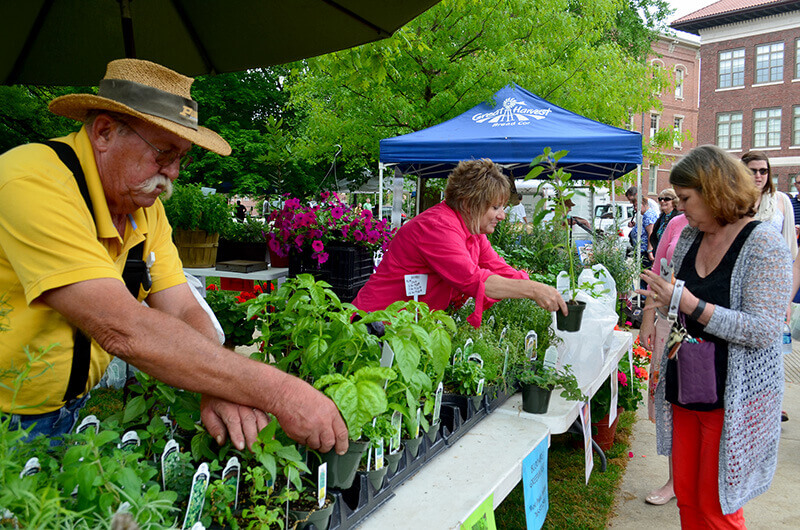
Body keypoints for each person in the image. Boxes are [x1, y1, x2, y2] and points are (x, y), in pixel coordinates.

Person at [0, 59, 348, 454]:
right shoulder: (32, 183)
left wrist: (215, 381)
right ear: (103, 131)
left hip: (65, 410)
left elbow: (181, 308)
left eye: (182, 157)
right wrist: (281, 392)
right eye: (163, 153)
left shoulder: (143, 208)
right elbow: (122, 328)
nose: (174, 172)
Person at [639, 145, 790, 528]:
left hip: (734, 399)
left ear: (714, 191)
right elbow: (677, 308)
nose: (680, 207)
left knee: (717, 508)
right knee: (688, 500)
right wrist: (662, 308)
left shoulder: (763, 243)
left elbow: (764, 330)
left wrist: (691, 304)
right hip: (687, 385)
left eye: (687, 198)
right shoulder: (690, 237)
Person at [353, 159, 567, 327]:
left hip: (406, 326)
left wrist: (548, 291)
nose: (502, 215)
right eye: (495, 207)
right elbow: (474, 279)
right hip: (375, 324)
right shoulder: (438, 227)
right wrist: (533, 290)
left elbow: (498, 268)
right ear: (467, 203)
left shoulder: (472, 232)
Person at [639, 211, 688, 506]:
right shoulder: (675, 223)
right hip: (667, 322)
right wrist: (647, 319)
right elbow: (657, 273)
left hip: (701, 325)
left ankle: (700, 480)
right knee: (668, 400)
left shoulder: (724, 220)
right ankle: (674, 481)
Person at [626, 186, 657, 268]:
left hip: (645, 251)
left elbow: (651, 232)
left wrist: (649, 250)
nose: (635, 208)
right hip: (641, 250)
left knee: (645, 274)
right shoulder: (645, 215)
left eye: (636, 205)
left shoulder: (648, 214)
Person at [649, 188, 679, 253]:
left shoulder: (678, 217)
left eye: (666, 199)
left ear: (674, 201)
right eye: (660, 199)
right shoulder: (662, 217)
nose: (662, 201)